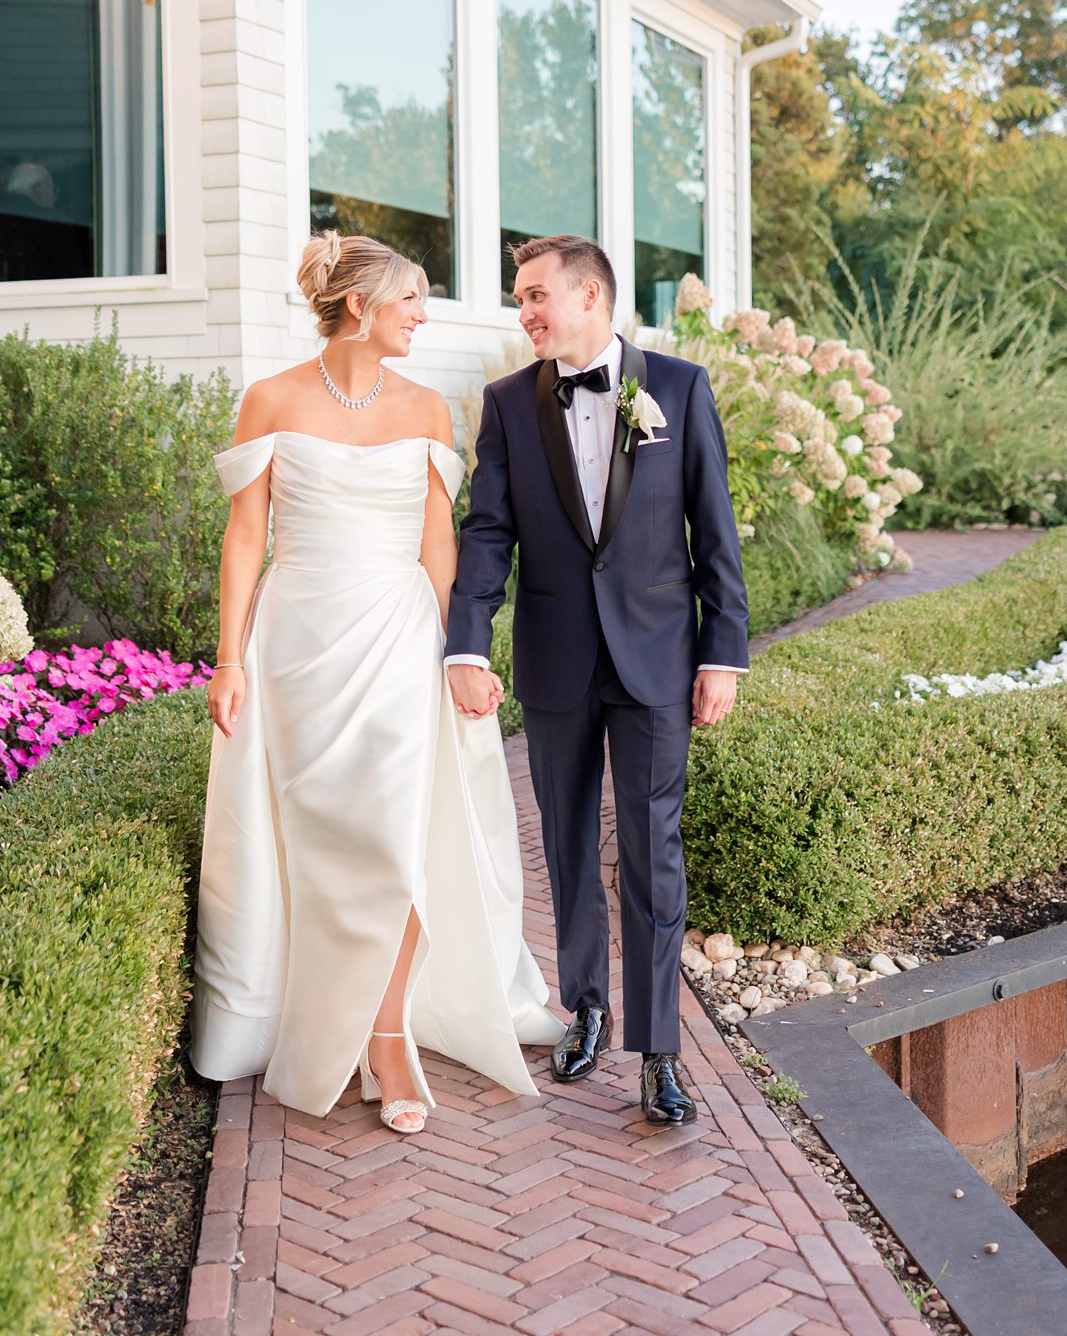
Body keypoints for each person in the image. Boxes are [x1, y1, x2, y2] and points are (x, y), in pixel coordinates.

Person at [190, 231, 559, 1133]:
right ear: (360, 306)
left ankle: (386, 1034)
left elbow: (441, 546)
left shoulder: (430, 409)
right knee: (319, 844)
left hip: (399, 641)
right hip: (297, 644)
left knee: (398, 838)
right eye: (411, 303)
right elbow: (246, 539)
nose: (423, 318)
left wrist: (463, 657)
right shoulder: (270, 399)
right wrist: (229, 660)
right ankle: (329, 1013)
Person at [444, 235, 749, 1125]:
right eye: (519, 298)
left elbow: (714, 531)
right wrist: (468, 643)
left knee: (652, 854)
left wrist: (721, 653)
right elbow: (487, 531)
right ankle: (586, 1006)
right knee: (570, 846)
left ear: (590, 297)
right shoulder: (506, 405)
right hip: (556, 659)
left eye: (537, 295)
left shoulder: (680, 389)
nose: (525, 311)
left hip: (657, 657)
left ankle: (659, 1055)